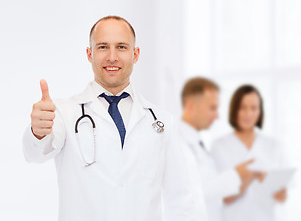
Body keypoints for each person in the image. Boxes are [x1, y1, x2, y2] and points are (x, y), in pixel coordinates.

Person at [23, 16, 199, 221]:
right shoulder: (64, 113)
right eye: (103, 47)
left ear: (136, 54)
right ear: (90, 54)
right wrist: (38, 131)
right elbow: (35, 153)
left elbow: (180, 199)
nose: (112, 57)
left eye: (122, 47)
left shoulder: (161, 121)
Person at [178, 77, 255, 221]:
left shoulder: (197, 143)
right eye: (212, 108)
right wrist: (236, 175)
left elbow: (211, 189)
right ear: (190, 106)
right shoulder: (177, 142)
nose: (217, 116)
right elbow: (189, 194)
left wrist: (242, 181)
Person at [211, 84, 287, 221]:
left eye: (254, 108)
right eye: (242, 108)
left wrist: (277, 191)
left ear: (260, 111)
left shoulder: (273, 146)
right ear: (234, 110)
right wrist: (252, 175)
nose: (248, 114)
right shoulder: (219, 146)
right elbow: (226, 197)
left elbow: (282, 197)